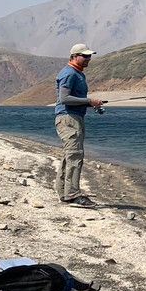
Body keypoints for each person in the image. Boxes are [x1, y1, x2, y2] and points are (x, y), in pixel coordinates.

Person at [54, 43, 106, 208]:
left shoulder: (78, 74)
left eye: (89, 56)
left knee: (69, 155)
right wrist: (90, 101)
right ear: (75, 56)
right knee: (75, 156)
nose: (89, 59)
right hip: (68, 118)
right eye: (85, 56)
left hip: (75, 117)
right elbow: (64, 98)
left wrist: (91, 104)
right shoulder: (69, 73)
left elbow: (74, 98)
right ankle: (73, 196)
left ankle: (64, 192)